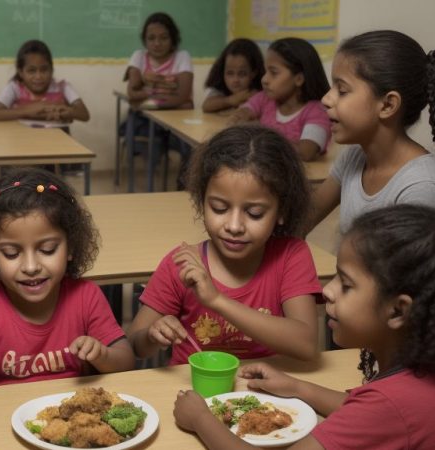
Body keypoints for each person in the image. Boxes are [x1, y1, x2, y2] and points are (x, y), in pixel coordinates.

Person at [174, 204, 435, 449]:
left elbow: (374, 413)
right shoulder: (419, 378)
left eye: (346, 285)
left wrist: (201, 419)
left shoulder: (388, 408)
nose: (327, 291)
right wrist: (297, 388)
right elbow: (363, 409)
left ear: (398, 310)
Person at [0, 168, 134, 401]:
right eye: (11, 253)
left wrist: (102, 356)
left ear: (70, 247)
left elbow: (127, 363)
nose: (30, 267)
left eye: (47, 250)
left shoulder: (86, 296)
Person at [127, 125, 321, 365]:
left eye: (255, 213)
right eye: (219, 208)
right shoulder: (183, 264)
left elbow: (306, 344)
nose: (234, 226)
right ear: (202, 202)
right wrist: (152, 335)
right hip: (193, 386)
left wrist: (217, 300)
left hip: (266, 387)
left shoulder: (291, 256)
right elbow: (134, 345)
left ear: (282, 211)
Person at [308, 30, 435, 235]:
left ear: (388, 105)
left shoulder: (421, 187)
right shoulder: (355, 157)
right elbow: (304, 219)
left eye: (342, 91)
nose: (326, 99)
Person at [231, 38, 331, 161]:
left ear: (299, 79)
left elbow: (306, 152)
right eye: (265, 71)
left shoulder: (318, 111)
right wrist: (241, 117)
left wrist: (260, 133)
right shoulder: (265, 98)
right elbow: (239, 116)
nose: (264, 79)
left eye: (273, 73)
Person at [0, 39, 90, 128]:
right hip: (22, 140)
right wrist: (29, 110)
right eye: (31, 71)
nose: (38, 76)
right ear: (21, 72)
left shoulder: (62, 87)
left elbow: (84, 114)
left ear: (52, 70)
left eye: (44, 70)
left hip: (57, 140)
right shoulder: (15, 88)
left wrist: (66, 112)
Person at [125, 12, 193, 110]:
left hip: (174, 116)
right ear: (145, 40)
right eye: (151, 38)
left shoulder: (182, 56)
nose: (157, 43)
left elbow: (182, 96)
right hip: (145, 115)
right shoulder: (138, 56)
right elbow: (132, 93)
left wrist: (145, 99)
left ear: (172, 39)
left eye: (164, 38)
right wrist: (169, 94)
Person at [202, 38, 264, 113]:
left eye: (242, 74)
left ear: (254, 73)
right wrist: (231, 100)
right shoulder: (221, 87)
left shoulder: (260, 92)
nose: (235, 80)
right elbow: (206, 106)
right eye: (230, 73)